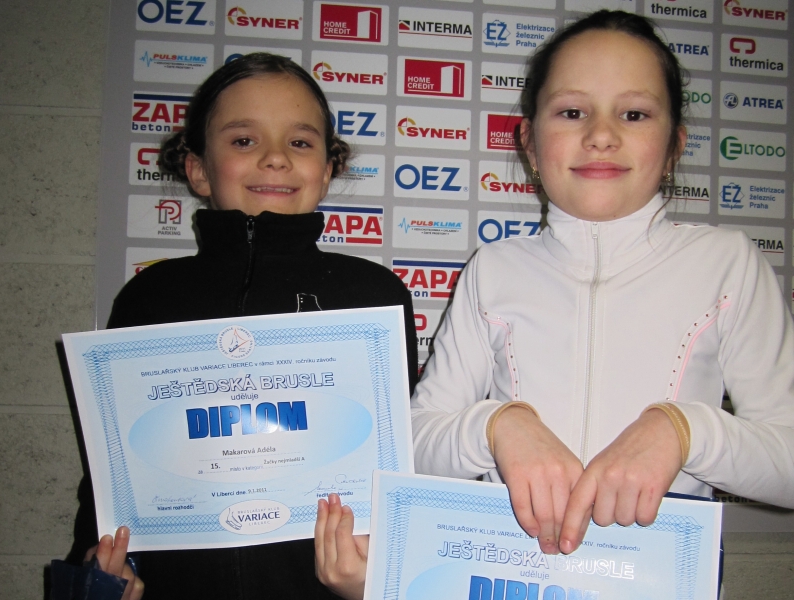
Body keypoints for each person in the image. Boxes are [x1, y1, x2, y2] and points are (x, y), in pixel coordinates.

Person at [315, 9, 794, 597]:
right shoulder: (493, 270)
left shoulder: (728, 263)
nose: (601, 134)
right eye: (572, 112)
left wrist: (683, 430)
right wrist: (498, 425)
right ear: (530, 143)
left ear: (674, 145)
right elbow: (408, 448)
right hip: (501, 578)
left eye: (634, 113)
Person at [67, 52, 418, 600]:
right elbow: (109, 476)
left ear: (327, 169)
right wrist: (100, 569)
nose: (275, 158)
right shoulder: (148, 297)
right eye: (244, 140)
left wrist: (382, 575)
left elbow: (402, 472)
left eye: (299, 142)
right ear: (198, 169)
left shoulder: (373, 296)